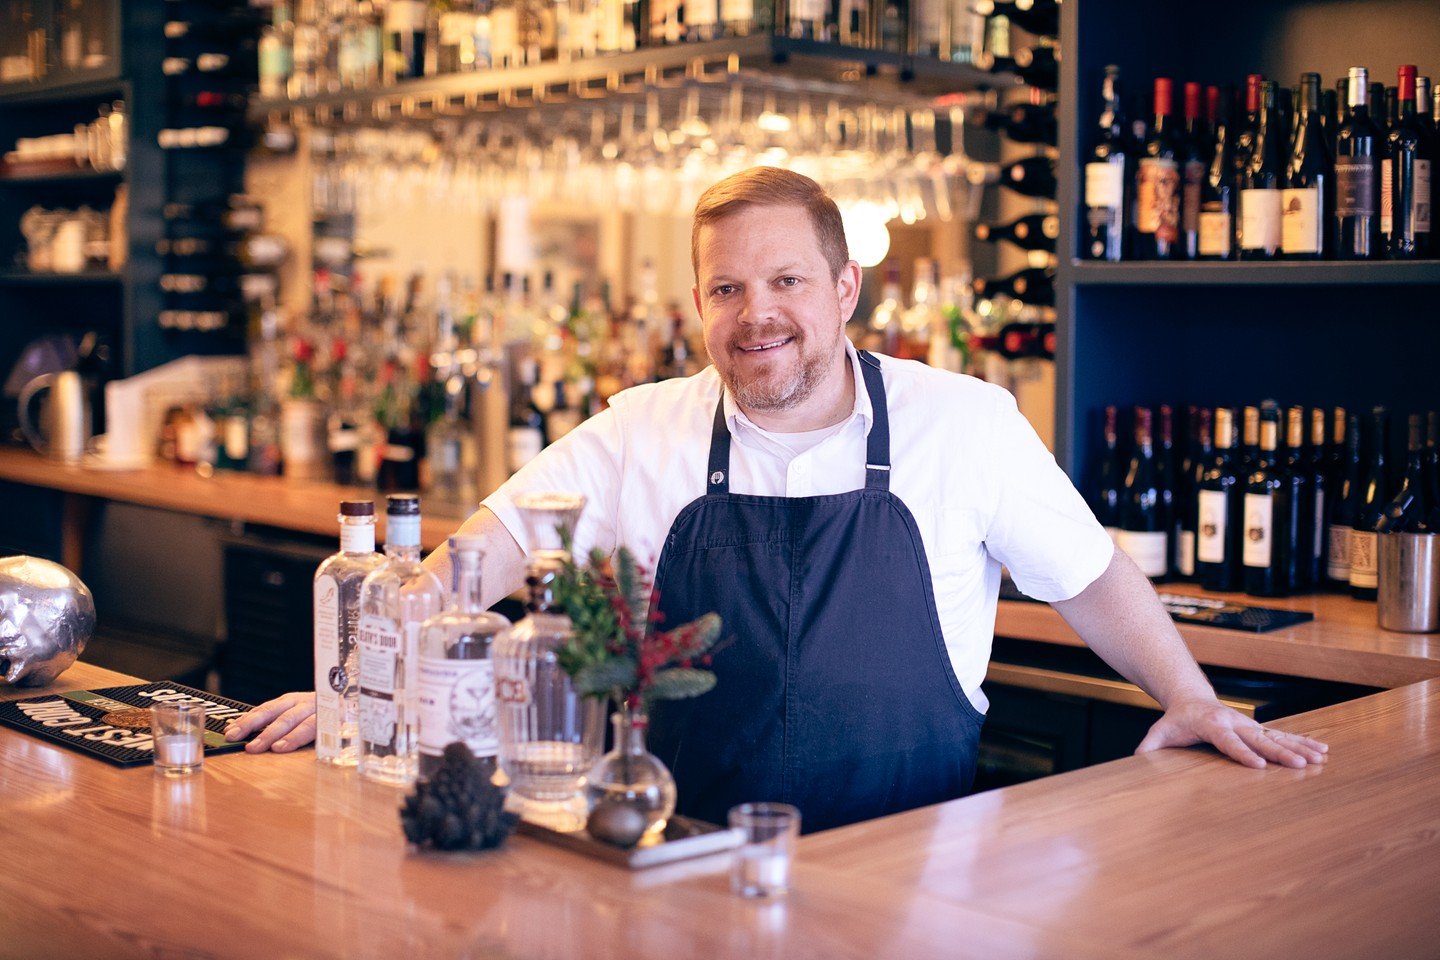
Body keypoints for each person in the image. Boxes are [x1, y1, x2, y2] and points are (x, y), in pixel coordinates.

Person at [227, 167, 1326, 830]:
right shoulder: (640, 428)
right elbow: (483, 551)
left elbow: (1094, 582)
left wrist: (1187, 695)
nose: (758, 313)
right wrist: (364, 689)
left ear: (845, 288)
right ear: (699, 303)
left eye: (788, 280)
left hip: (921, 872)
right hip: (681, 863)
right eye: (727, 287)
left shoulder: (964, 421)